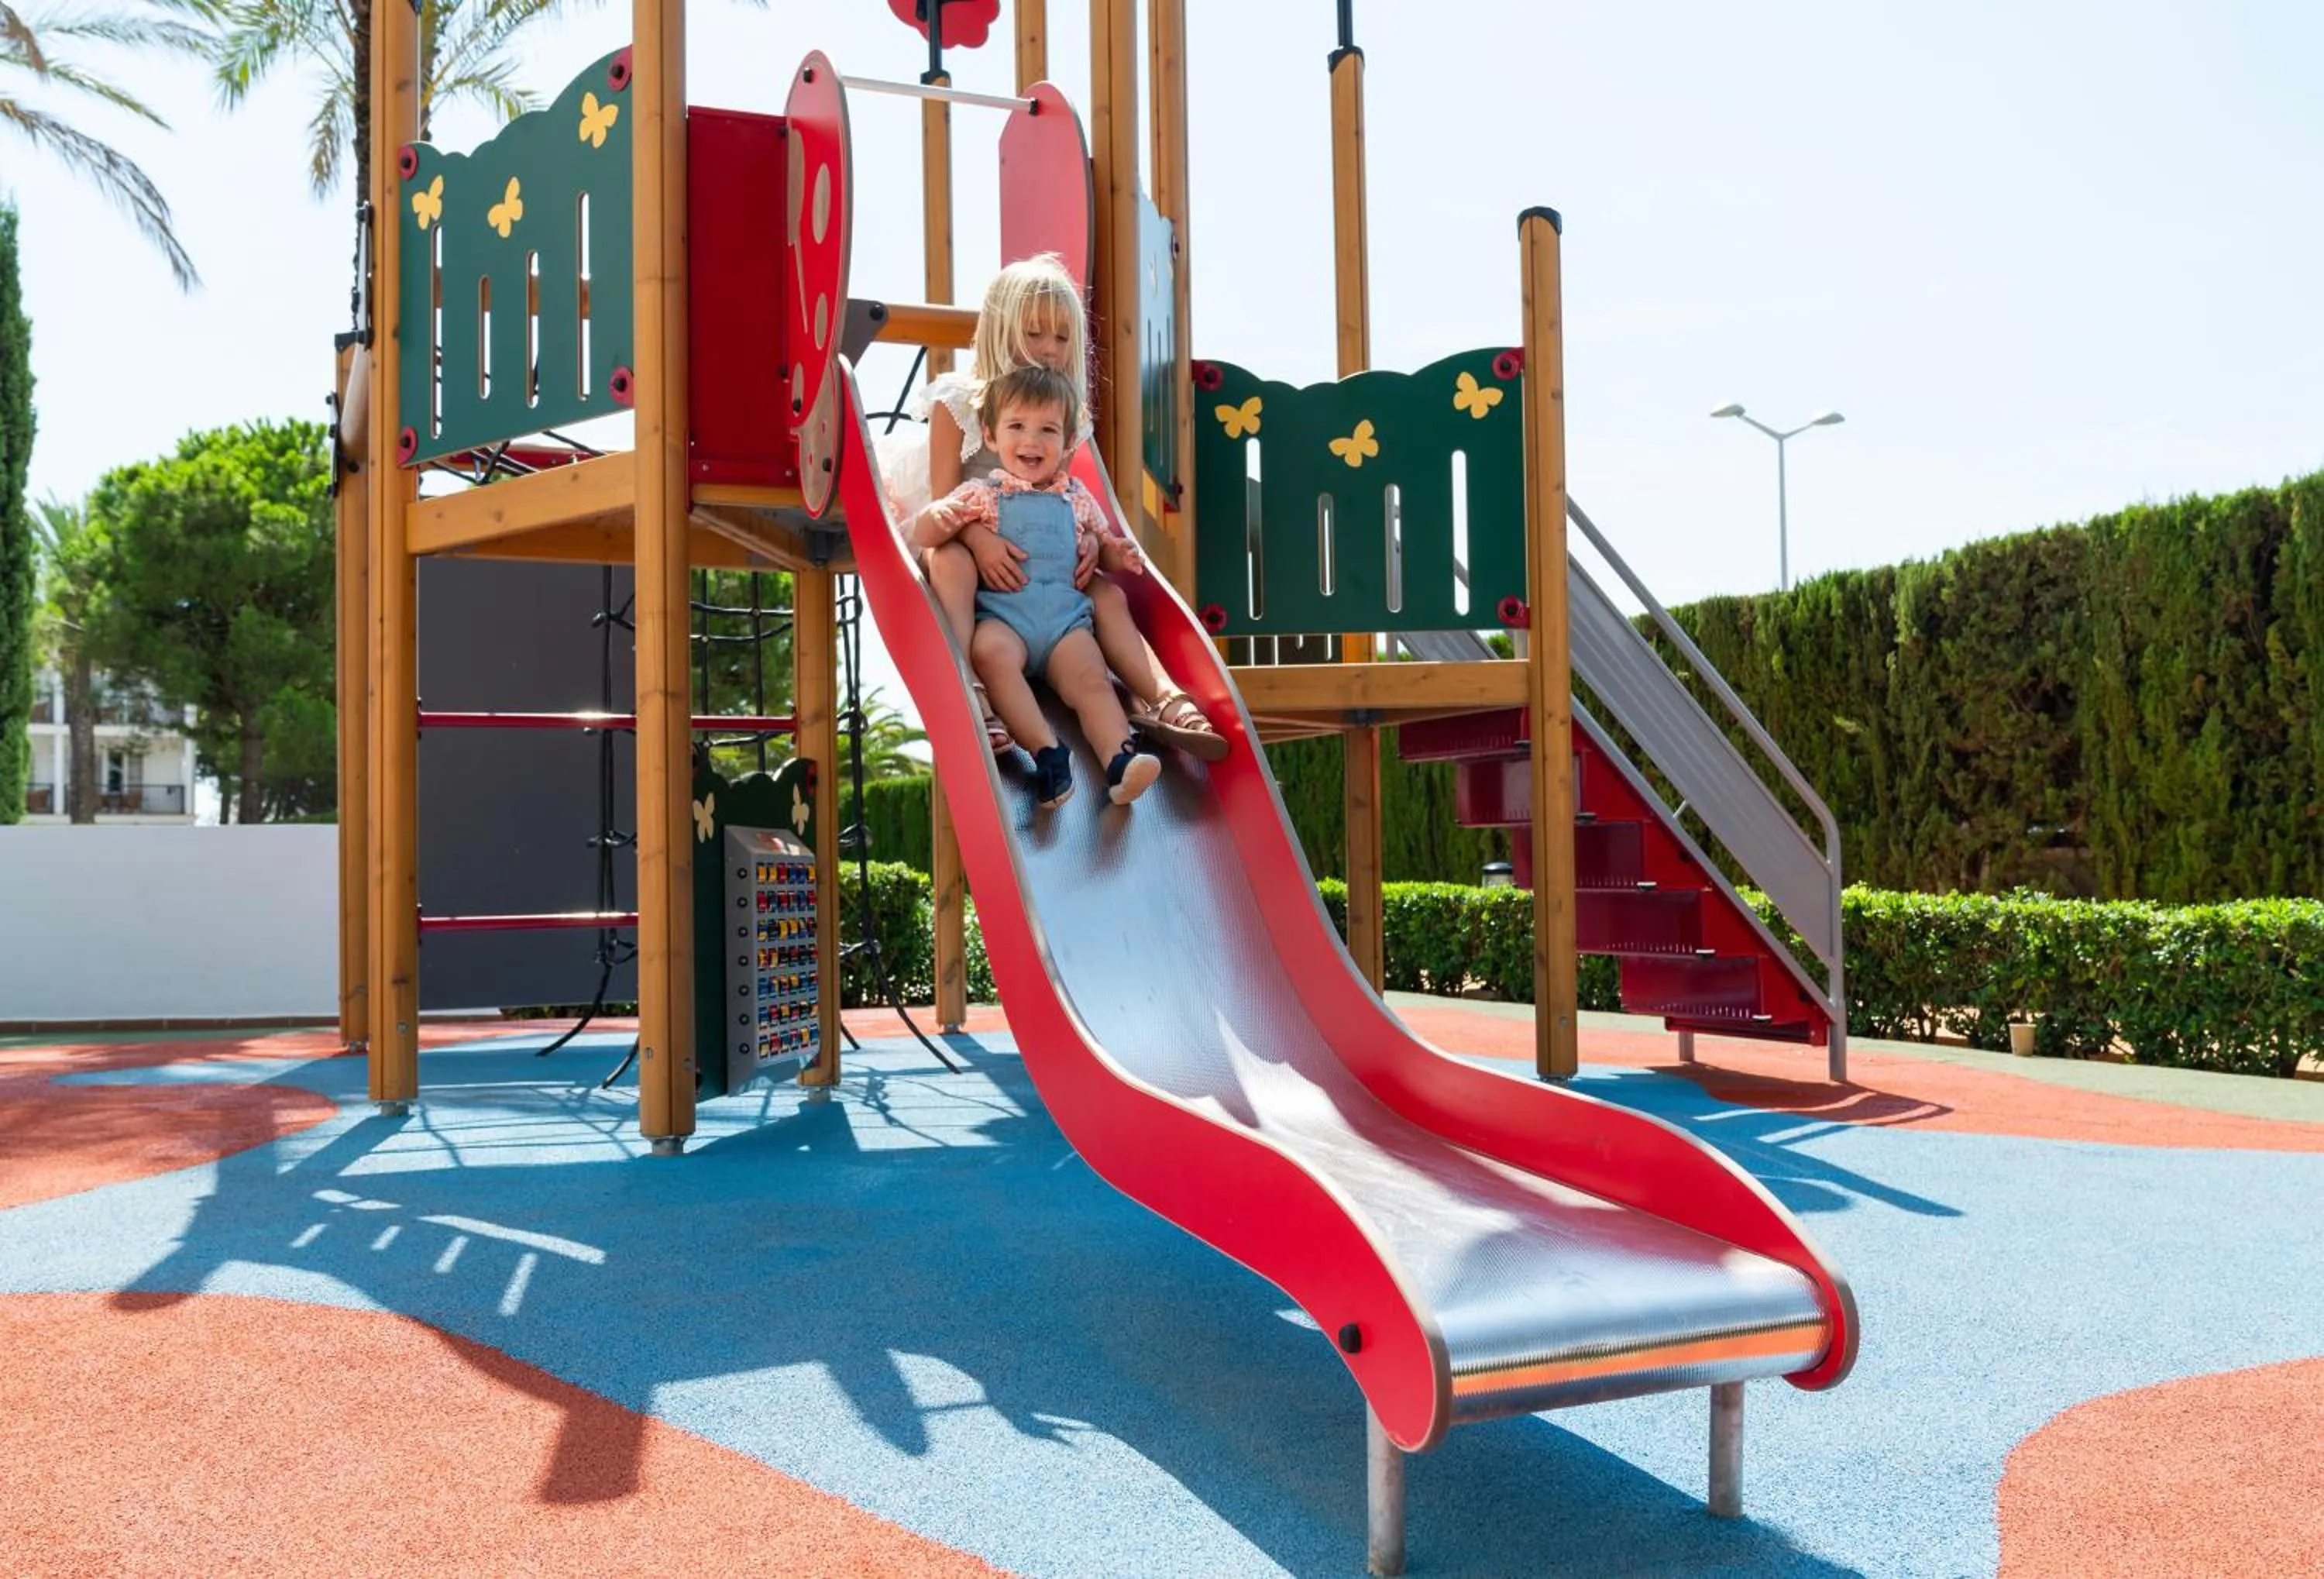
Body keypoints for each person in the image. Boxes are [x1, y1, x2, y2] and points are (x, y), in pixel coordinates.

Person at [880, 253, 1226, 762]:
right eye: (1034, 333)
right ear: (1000, 330)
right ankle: (968, 685)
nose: (1049, 348)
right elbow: (945, 500)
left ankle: (1161, 697)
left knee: (1107, 595)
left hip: (1038, 560)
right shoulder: (959, 401)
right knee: (950, 560)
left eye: (1062, 338)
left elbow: (1062, 495)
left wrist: (1088, 543)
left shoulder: (1064, 412)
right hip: (968, 537)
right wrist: (980, 541)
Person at [916, 365, 1159, 809]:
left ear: (1068, 443)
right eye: (1017, 427)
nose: (1031, 440)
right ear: (990, 436)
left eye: (1048, 429)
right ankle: (1047, 751)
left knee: (1092, 680)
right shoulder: (982, 493)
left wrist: (1117, 553)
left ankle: (1119, 759)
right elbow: (928, 533)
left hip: (1067, 625)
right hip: (1005, 619)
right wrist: (939, 517)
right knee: (990, 654)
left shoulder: (1076, 497)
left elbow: (1101, 546)